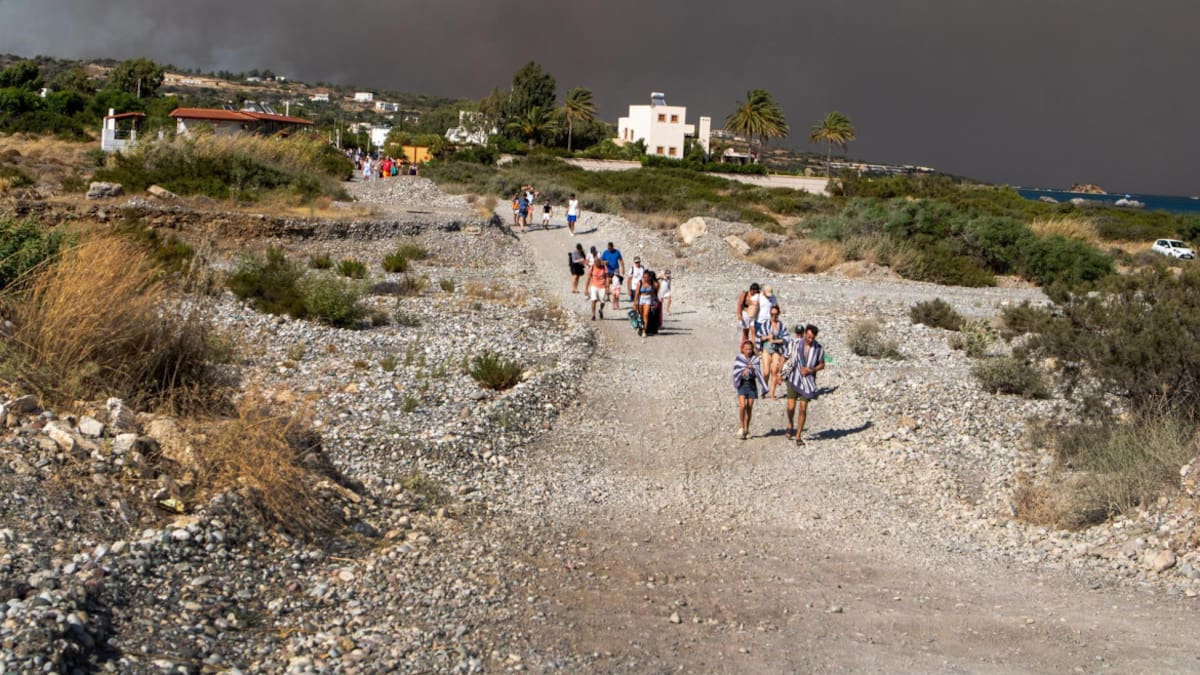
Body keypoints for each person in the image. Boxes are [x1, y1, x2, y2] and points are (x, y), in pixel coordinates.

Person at [782, 324, 825, 445]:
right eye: (809, 337)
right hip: (793, 378)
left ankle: (798, 435)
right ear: (805, 333)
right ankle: (790, 423)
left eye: (813, 338)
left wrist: (811, 370)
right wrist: (779, 374)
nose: (810, 340)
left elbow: (822, 364)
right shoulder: (795, 343)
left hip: (807, 382)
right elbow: (785, 356)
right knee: (791, 407)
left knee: (803, 408)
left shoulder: (819, 349)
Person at [731, 340, 768, 440]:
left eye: (750, 349)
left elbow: (758, 373)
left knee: (749, 408)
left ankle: (747, 429)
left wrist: (752, 369)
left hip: (751, 384)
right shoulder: (739, 358)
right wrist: (741, 372)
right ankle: (741, 427)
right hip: (742, 384)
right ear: (743, 349)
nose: (748, 351)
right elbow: (736, 371)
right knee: (742, 406)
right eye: (746, 349)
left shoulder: (755, 359)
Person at [756, 305, 789, 399]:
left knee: (774, 371)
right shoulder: (765, 324)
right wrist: (767, 337)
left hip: (777, 350)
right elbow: (759, 337)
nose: (773, 316)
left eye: (775, 314)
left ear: (778, 314)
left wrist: (775, 341)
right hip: (766, 349)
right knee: (766, 372)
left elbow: (786, 339)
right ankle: (764, 389)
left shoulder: (781, 326)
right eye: (772, 314)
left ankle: (772, 394)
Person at [633, 267, 658, 337]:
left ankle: (644, 330)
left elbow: (653, 293)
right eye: (644, 277)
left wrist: (654, 302)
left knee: (646, 315)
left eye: (647, 277)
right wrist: (634, 303)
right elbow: (637, 293)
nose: (646, 279)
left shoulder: (651, 283)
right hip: (641, 298)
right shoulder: (640, 283)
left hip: (648, 299)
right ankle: (640, 328)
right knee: (640, 315)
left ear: (649, 277)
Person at [600, 242, 624, 310]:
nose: (609, 249)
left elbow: (621, 260)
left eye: (610, 248)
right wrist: (604, 262)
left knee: (616, 283)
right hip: (608, 270)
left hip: (616, 270)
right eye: (608, 248)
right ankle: (608, 297)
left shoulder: (617, 252)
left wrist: (623, 268)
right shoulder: (605, 252)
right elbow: (601, 261)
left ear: (613, 247)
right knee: (607, 283)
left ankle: (615, 299)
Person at [586, 256, 609, 320]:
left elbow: (607, 277)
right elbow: (588, 278)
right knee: (593, 300)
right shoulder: (592, 267)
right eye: (596, 262)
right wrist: (586, 288)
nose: (597, 264)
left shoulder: (604, 267)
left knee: (603, 302)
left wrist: (607, 287)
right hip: (594, 286)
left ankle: (600, 310)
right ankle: (593, 315)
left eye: (598, 262)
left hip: (602, 286)